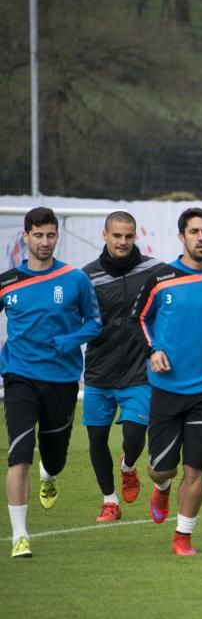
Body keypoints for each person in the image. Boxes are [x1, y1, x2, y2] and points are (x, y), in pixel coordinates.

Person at [133, 208, 202, 556]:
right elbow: (139, 319)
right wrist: (153, 351)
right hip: (167, 387)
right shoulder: (161, 277)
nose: (200, 237)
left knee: (195, 467)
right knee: (161, 467)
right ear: (181, 236)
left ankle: (183, 536)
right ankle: (161, 485)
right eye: (194, 231)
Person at [2, 207, 102, 558]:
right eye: (38, 235)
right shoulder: (8, 282)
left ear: (57, 236)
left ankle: (50, 474)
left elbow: (94, 323)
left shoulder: (74, 279)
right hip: (18, 378)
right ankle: (20, 536)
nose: (45, 242)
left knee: (54, 457)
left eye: (50, 235)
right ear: (26, 236)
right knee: (18, 455)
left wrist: (69, 340)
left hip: (61, 380)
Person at [82, 211, 164, 522]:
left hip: (138, 371)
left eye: (128, 236)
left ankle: (128, 466)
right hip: (99, 372)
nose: (123, 241)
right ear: (105, 235)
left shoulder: (154, 270)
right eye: (117, 236)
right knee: (96, 439)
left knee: (133, 436)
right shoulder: (87, 277)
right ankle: (109, 501)